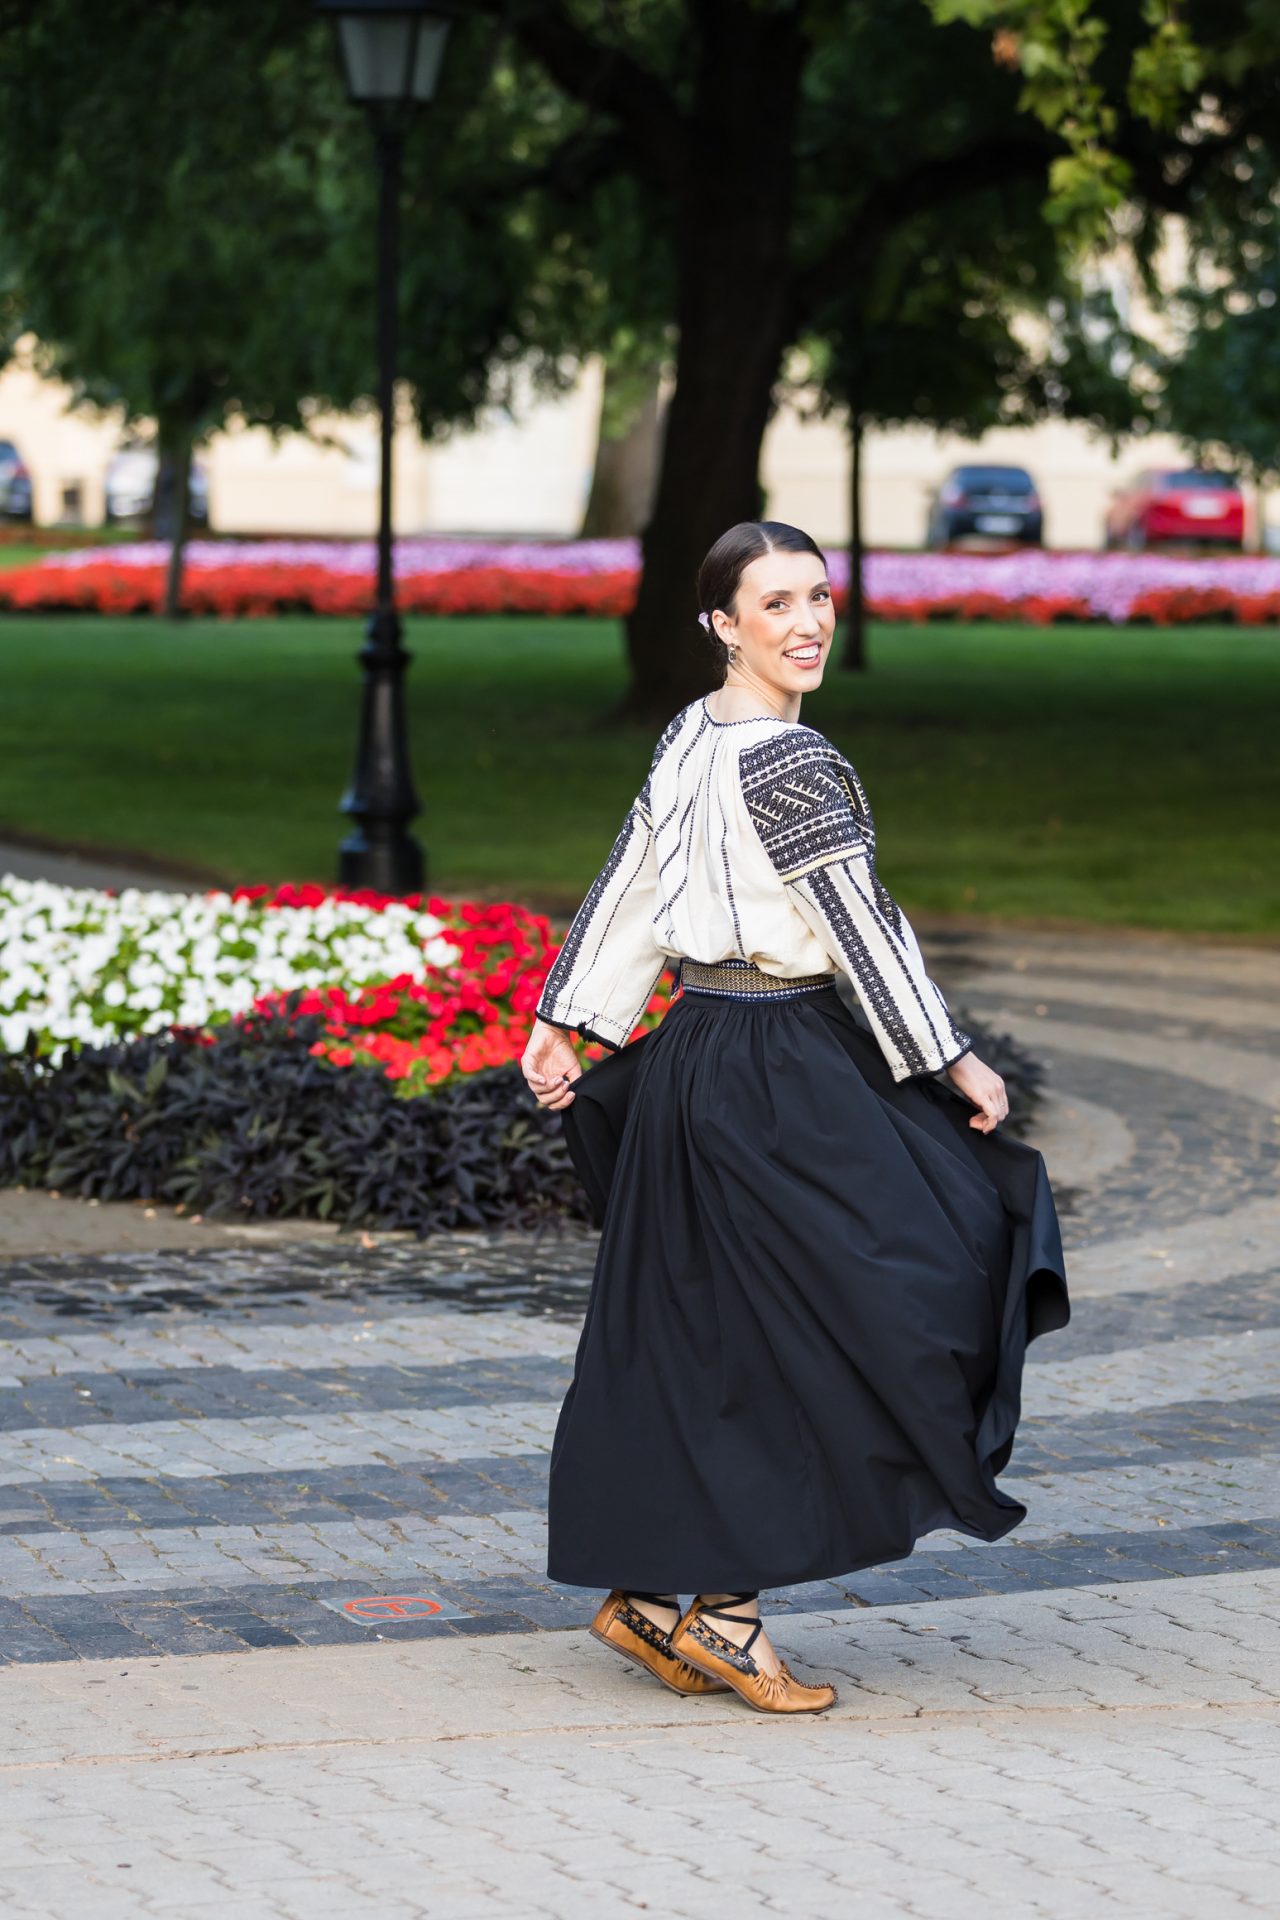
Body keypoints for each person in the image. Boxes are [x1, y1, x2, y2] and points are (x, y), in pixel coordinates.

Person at [520, 520, 1069, 1717]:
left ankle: (652, 1596)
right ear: (721, 624)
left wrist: (570, 1016)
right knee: (904, 1287)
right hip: (778, 1068)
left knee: (705, 1330)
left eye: (816, 596)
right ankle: (724, 1618)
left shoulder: (690, 734)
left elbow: (628, 886)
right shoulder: (791, 762)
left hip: (693, 1056)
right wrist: (952, 1058)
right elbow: (855, 923)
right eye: (775, 604)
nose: (808, 622)